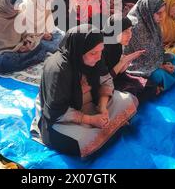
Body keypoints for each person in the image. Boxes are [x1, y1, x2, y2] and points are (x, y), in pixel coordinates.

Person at [30, 24, 138, 157]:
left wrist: (102, 106)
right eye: (93, 53)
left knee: (127, 101)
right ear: (79, 50)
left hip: (91, 103)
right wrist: (91, 120)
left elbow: (106, 80)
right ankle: (104, 130)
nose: (99, 57)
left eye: (100, 51)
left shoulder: (96, 53)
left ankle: (103, 129)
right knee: (84, 141)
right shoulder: (58, 70)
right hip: (63, 117)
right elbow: (57, 111)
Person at [0, 0, 62, 74]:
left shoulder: (16, 11)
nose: (16, 9)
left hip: (20, 49)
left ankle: (35, 54)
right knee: (5, 62)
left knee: (51, 39)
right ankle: (37, 55)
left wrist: (28, 42)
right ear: (6, 3)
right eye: (13, 6)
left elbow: (26, 32)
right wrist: (19, 46)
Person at [125, 0, 175, 92]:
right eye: (158, 13)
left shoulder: (151, 20)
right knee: (158, 76)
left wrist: (163, 62)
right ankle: (161, 84)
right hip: (139, 64)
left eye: (163, 12)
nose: (162, 17)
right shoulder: (135, 26)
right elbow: (140, 57)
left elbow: (156, 48)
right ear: (148, 11)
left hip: (155, 60)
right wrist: (161, 66)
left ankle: (164, 83)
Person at [103, 15, 159, 103]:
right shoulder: (102, 49)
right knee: (132, 93)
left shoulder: (117, 44)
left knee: (150, 86)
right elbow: (105, 79)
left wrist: (129, 59)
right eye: (125, 31)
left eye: (130, 30)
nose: (130, 35)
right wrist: (123, 61)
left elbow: (120, 72)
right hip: (106, 84)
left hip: (117, 78)